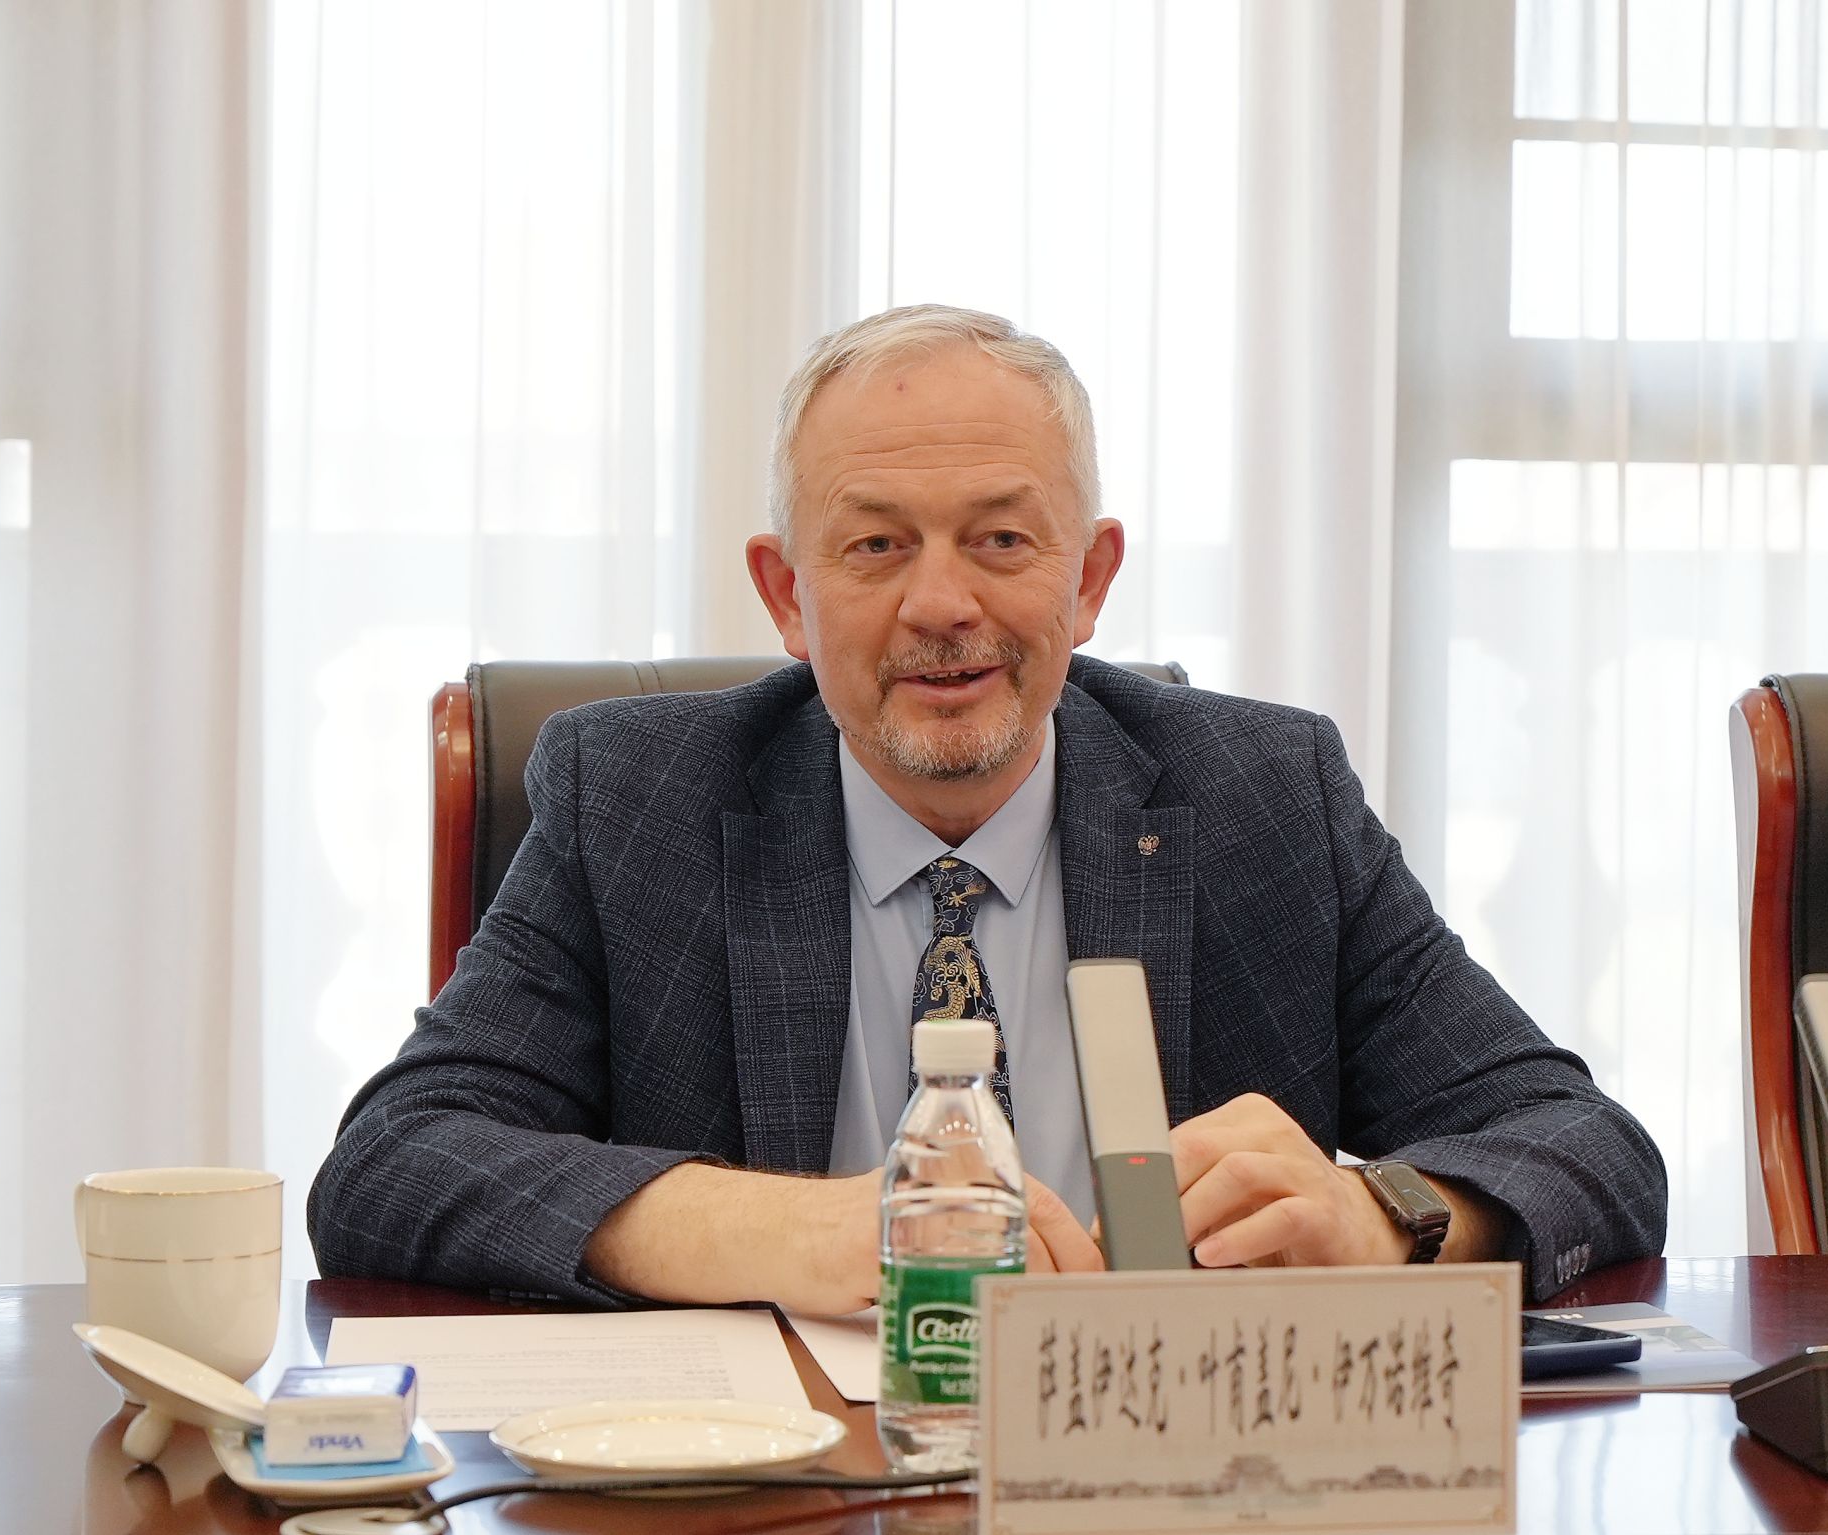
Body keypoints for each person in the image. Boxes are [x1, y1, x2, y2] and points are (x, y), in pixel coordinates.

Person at [308, 304, 1667, 1311]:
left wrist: (1386, 1218)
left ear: (1092, 579)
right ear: (787, 596)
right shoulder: (634, 802)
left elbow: (1585, 1146)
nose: (943, 603)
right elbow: (391, 1164)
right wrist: (789, 1234)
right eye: (876, 544)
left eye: (1003, 540)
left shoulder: (1264, 799)